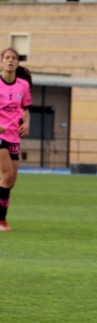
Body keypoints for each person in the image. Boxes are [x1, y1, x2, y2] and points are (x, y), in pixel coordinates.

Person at [0, 48, 32, 232]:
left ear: (17, 63)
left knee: (11, 182)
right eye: (7, 58)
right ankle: (1, 221)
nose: (10, 61)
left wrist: (26, 123)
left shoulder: (23, 86)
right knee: (6, 177)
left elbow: (25, 109)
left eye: (14, 58)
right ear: (2, 62)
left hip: (14, 136)